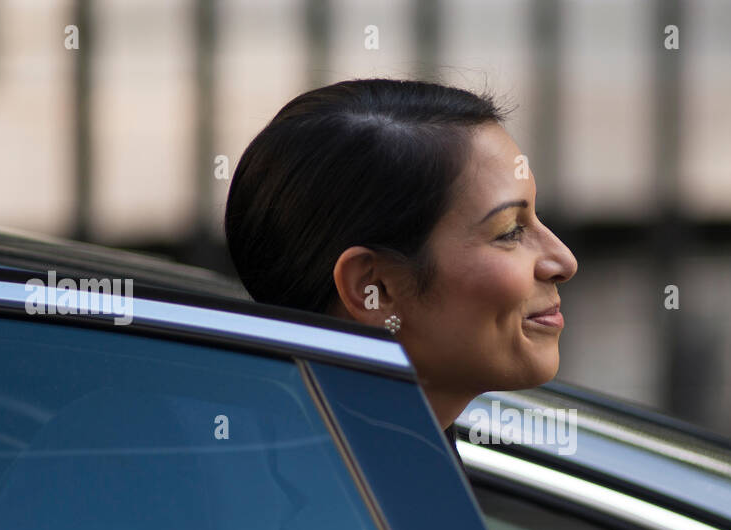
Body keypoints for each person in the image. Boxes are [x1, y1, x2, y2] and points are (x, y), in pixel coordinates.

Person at [223, 78, 579, 463]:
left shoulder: (357, 475)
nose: (563, 261)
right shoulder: (320, 508)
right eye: (510, 231)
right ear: (374, 287)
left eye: (536, 216)